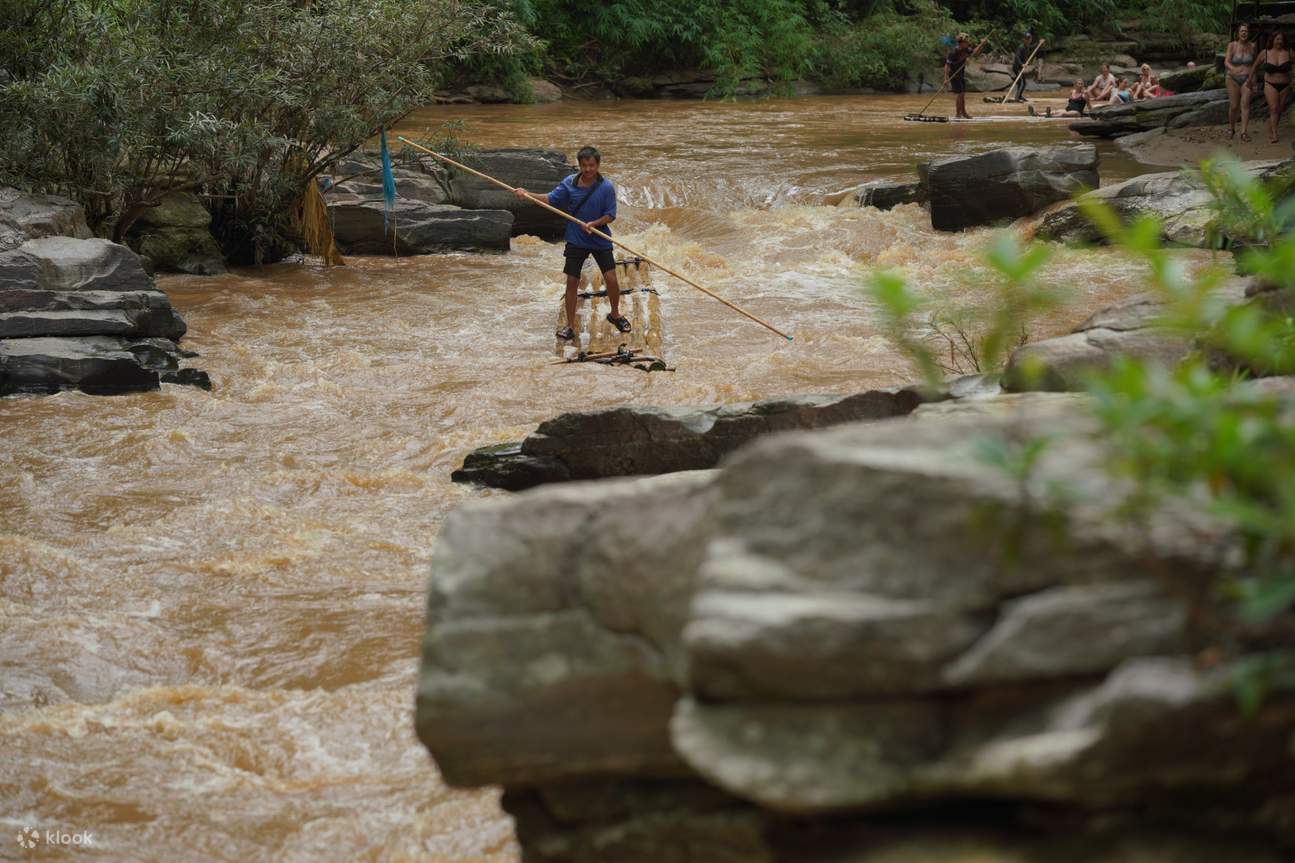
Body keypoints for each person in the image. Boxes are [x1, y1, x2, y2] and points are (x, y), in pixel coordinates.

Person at [514, 146, 627, 340]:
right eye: (584, 165)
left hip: (600, 238)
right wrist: (527, 194)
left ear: (597, 165)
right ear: (580, 165)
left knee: (611, 279)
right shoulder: (569, 183)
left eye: (592, 165)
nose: (588, 169)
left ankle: (615, 314)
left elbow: (610, 215)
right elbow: (550, 198)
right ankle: (570, 326)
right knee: (572, 281)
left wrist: (594, 224)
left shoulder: (606, 187)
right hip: (576, 239)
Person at [1253, 31, 1292, 144]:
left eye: (1281, 39)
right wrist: (1251, 80)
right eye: (1277, 39)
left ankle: (1271, 126)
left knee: (1279, 110)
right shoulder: (1264, 53)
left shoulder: (1289, 52)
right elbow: (1254, 67)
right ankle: (1275, 134)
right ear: (1272, 40)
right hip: (1270, 84)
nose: (1279, 41)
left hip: (1285, 85)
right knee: (1274, 108)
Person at [1226, 23, 1258, 141]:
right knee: (1234, 106)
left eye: (1246, 31)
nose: (1244, 33)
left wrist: (1253, 81)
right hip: (1232, 78)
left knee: (1245, 104)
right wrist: (1232, 68)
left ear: (1248, 34)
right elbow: (1226, 61)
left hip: (1247, 79)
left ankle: (1244, 132)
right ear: (1238, 33)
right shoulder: (1232, 45)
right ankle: (1231, 128)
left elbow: (1254, 65)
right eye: (1242, 31)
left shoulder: (1253, 46)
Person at [945, 33, 976, 120]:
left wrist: (982, 43)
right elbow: (947, 65)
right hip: (954, 74)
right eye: (966, 42)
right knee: (960, 94)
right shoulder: (954, 52)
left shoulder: (966, 49)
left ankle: (964, 113)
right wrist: (946, 79)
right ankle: (958, 114)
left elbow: (974, 52)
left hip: (961, 74)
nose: (967, 44)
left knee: (962, 94)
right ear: (961, 43)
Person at [1011, 31, 1038, 102]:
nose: (1028, 40)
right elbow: (1017, 57)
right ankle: (1017, 98)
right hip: (1017, 67)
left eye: (1029, 39)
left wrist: (1039, 43)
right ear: (1024, 39)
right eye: (1027, 39)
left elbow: (1033, 46)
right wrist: (1021, 64)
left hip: (1020, 67)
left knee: (1024, 83)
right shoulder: (1021, 47)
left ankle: (1019, 96)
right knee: (1021, 82)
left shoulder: (1027, 46)